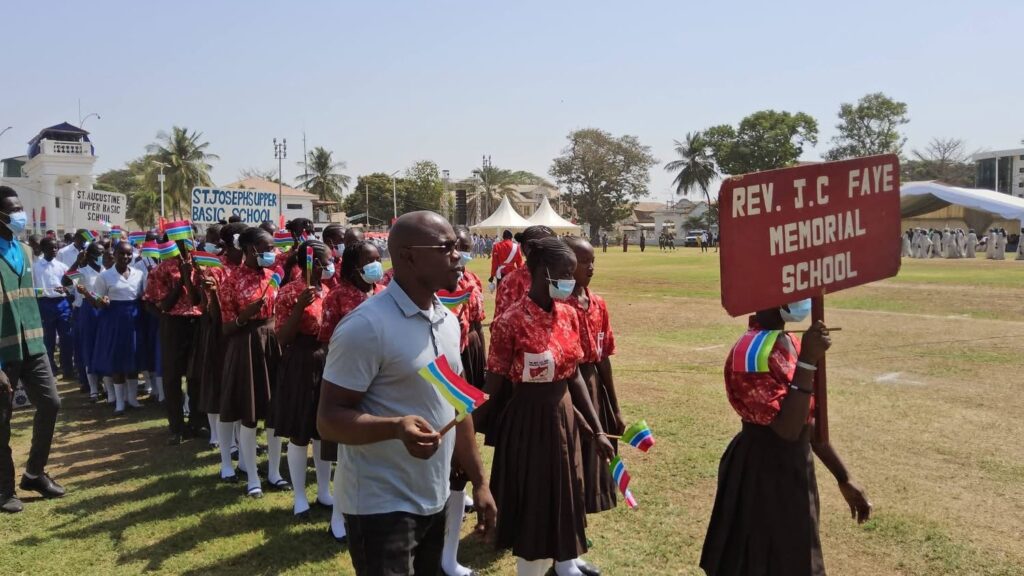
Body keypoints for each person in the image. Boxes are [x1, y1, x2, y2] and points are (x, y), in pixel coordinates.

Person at [317, 211, 496, 576]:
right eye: (445, 248)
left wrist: (480, 482)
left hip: (434, 496)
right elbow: (328, 420)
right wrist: (395, 427)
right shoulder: (366, 327)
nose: (458, 256)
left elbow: (458, 406)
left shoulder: (447, 321)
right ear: (408, 256)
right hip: (380, 506)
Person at [700, 302, 871, 576]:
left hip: (795, 469)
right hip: (761, 474)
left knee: (797, 557)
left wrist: (843, 477)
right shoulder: (750, 351)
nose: (802, 300)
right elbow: (787, 429)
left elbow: (806, 421)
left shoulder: (788, 340)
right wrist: (808, 361)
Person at [475, 236, 612, 576]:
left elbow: (574, 375)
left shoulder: (568, 315)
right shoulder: (510, 321)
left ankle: (565, 564)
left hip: (563, 418)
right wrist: (465, 433)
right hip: (529, 424)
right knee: (535, 503)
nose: (571, 281)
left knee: (566, 492)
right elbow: (494, 385)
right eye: (565, 274)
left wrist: (597, 429)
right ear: (541, 272)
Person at [0, 185, 65, 514]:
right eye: (13, 210)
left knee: (51, 403)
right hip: (3, 354)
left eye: (19, 208)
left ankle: (34, 474)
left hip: (34, 345)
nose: (19, 215)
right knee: (2, 422)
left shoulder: (25, 251)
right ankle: (4, 488)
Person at [318, 238, 385, 542]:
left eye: (378, 259)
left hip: (381, 381)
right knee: (346, 454)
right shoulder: (337, 297)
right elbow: (326, 339)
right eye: (370, 261)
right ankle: (338, 517)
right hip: (349, 381)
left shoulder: (383, 293)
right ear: (354, 267)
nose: (376, 266)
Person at [217, 226, 285, 498]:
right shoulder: (231, 281)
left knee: (275, 414)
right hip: (245, 345)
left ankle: (274, 472)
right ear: (249, 250)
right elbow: (226, 328)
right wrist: (244, 316)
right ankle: (252, 477)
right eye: (267, 249)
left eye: (272, 248)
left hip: (272, 343)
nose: (272, 253)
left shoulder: (272, 277)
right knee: (250, 414)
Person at [272, 240, 336, 517]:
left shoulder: (329, 291)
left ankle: (323, 491)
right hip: (300, 359)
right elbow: (282, 337)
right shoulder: (289, 292)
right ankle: (299, 496)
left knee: (323, 430)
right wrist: (299, 307)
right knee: (300, 432)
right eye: (327, 261)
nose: (331, 266)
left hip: (326, 358)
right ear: (313, 264)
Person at [437, 226, 487, 576]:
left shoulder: (471, 280)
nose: (460, 255)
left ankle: (448, 555)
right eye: (455, 247)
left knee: (460, 455)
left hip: (462, 363)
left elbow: (475, 322)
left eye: (464, 248)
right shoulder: (422, 287)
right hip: (434, 372)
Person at [564, 237, 623, 520]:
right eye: (584, 262)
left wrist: (615, 407)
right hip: (567, 385)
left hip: (592, 384)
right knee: (572, 449)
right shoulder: (559, 305)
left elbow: (604, 357)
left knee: (593, 451)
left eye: (592, 261)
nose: (590, 268)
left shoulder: (598, 304)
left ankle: (585, 509)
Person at [143, 236, 204, 445]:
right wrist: (181, 279)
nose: (186, 246)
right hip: (174, 323)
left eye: (188, 240)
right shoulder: (162, 269)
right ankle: (177, 426)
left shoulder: (201, 265)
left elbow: (199, 299)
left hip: (197, 322)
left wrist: (192, 273)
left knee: (196, 376)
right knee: (172, 377)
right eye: (180, 242)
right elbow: (162, 304)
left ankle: (197, 421)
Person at [84, 241, 145, 415]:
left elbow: (142, 296)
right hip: (113, 320)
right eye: (121, 253)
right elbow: (98, 301)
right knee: (117, 360)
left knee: (133, 359)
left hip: (134, 319)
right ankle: (119, 402)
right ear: (115, 254)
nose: (125, 257)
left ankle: (132, 399)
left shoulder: (139, 274)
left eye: (129, 254)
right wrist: (102, 301)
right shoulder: (105, 276)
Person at [32, 237, 75, 382]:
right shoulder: (35, 267)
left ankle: (67, 368)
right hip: (45, 304)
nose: (55, 250)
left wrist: (66, 289)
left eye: (56, 247)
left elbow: (74, 283)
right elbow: (33, 287)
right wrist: (44, 291)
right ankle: (50, 369)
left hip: (62, 304)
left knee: (67, 337)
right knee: (48, 340)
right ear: (43, 249)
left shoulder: (62, 266)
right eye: (51, 248)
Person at [493, 226, 556, 321]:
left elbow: (495, 262)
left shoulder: (498, 246)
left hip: (502, 272)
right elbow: (502, 323)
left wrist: (492, 274)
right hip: (511, 270)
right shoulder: (511, 282)